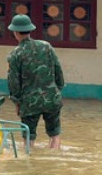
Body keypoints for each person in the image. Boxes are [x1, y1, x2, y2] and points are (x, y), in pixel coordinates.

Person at [6, 14, 65, 149]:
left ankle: (29, 164)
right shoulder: (47, 46)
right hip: (52, 98)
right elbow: (58, 71)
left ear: (15, 32)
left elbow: (13, 82)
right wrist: (57, 90)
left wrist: (16, 101)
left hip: (29, 103)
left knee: (28, 137)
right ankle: (53, 164)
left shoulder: (15, 54)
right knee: (54, 134)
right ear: (30, 30)